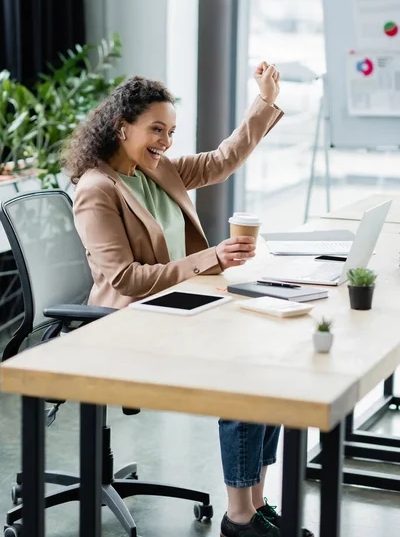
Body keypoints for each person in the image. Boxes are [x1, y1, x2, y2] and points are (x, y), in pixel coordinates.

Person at [62, 63, 312, 537]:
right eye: (156, 129)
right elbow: (125, 278)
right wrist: (212, 257)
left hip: (178, 307)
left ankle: (255, 505)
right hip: (128, 324)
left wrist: (264, 100)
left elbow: (222, 159)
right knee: (245, 373)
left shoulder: (155, 169)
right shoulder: (97, 190)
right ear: (122, 127)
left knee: (271, 361)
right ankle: (239, 517)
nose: (166, 142)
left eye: (171, 131)